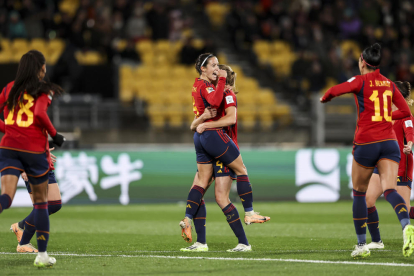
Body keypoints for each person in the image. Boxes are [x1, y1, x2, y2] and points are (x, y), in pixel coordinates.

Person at [320, 43, 414, 258]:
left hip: (366, 142)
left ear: (362, 61)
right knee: (390, 190)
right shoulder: (389, 83)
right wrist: (387, 117)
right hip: (389, 144)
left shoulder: (360, 80)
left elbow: (336, 89)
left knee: (359, 193)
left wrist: (325, 98)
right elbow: (406, 111)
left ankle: (362, 245)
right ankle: (406, 225)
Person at [180, 64, 270, 252]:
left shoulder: (228, 95)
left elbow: (230, 119)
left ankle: (244, 241)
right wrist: (201, 122)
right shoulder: (212, 95)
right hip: (211, 145)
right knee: (199, 190)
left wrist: (207, 126)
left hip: (223, 148)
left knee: (221, 198)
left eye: (217, 71)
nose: (214, 73)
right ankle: (200, 242)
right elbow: (194, 124)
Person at [0, 50, 65, 267]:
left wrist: (45, 146)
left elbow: (24, 123)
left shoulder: (10, 88)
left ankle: (21, 229)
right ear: (40, 68)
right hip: (31, 153)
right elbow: (37, 116)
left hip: (32, 149)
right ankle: (30, 244)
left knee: (53, 203)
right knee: (44, 203)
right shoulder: (42, 90)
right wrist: (55, 136)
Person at [365, 81, 413, 250]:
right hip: (381, 164)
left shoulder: (405, 115)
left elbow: (409, 130)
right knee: (368, 200)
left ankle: (408, 234)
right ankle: (377, 241)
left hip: (400, 165)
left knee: (405, 210)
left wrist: (410, 144)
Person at [10, 142, 62, 253]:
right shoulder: (21, 125)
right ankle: (23, 243)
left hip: (44, 163)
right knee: (41, 207)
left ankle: (20, 226)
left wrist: (44, 152)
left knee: (55, 204)